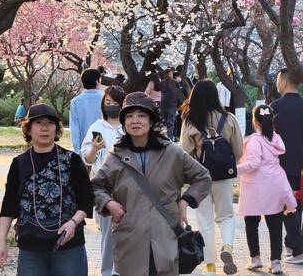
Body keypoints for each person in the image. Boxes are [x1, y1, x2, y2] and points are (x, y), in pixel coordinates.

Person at [92, 92, 211, 276]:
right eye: (129, 116)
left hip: (165, 237)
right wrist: (109, 203)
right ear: (123, 122)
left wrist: (186, 201)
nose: (135, 121)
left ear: (151, 120)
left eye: (141, 115)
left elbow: (202, 177)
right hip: (130, 238)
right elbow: (95, 186)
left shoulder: (172, 152)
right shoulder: (115, 156)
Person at [0, 104, 93, 275]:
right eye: (39, 123)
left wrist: (73, 222)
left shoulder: (71, 160)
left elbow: (86, 199)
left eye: (50, 123)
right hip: (31, 246)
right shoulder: (19, 163)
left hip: (68, 243)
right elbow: (9, 205)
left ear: (57, 129)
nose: (45, 128)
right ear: (29, 129)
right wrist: (1, 241)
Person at [180, 80, 244, 275]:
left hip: (200, 178)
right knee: (226, 216)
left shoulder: (190, 120)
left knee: (204, 220)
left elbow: (184, 153)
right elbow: (239, 150)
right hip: (224, 177)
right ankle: (227, 248)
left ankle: (210, 267)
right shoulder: (229, 118)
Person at [238, 105, 297, 274]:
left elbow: (254, 163)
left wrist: (236, 169)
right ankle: (276, 263)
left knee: (251, 223)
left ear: (256, 121)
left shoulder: (254, 140)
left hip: (256, 186)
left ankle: (255, 259)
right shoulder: (276, 138)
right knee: (275, 225)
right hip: (275, 184)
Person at [80, 85, 126, 276]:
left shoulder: (128, 126)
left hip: (128, 188)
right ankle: (108, 272)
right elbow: (86, 158)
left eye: (115, 103)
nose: (111, 107)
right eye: (108, 103)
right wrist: (94, 149)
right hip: (104, 190)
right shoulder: (96, 127)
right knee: (108, 236)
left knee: (128, 234)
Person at [271, 68, 303, 264]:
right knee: (298, 206)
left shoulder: (276, 106)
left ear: (283, 82)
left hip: (283, 165)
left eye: (277, 79)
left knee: (289, 207)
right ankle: (293, 243)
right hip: (302, 165)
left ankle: (297, 250)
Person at [69, 68, 103, 154]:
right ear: (97, 81)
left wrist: (77, 150)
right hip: (103, 146)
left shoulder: (76, 101)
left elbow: (74, 128)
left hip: (83, 149)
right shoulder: (105, 99)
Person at [159, 68, 185, 141]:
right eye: (171, 73)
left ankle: (169, 137)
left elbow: (160, 90)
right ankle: (170, 137)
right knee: (170, 121)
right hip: (171, 103)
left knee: (167, 121)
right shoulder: (175, 82)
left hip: (163, 103)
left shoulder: (162, 82)